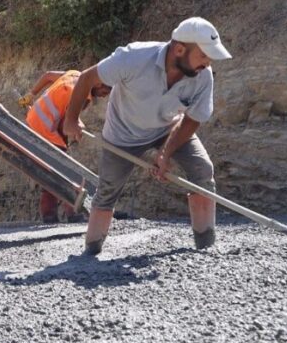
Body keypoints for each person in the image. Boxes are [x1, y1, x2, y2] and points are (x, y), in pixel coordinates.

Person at [62, 17, 233, 255]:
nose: (208, 63)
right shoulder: (133, 58)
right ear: (179, 49)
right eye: (204, 55)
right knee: (108, 189)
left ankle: (206, 246)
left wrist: (166, 153)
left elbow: (193, 118)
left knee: (203, 170)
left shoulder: (203, 76)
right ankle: (91, 251)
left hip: (168, 130)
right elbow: (87, 78)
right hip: (122, 135)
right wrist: (71, 120)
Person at [20, 70, 111, 223]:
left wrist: (31, 94)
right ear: (98, 83)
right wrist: (77, 129)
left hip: (33, 119)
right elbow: (67, 123)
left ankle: (52, 215)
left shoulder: (74, 75)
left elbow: (48, 75)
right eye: (105, 91)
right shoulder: (82, 95)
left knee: (53, 170)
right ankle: (70, 214)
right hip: (46, 129)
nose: (104, 96)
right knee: (63, 171)